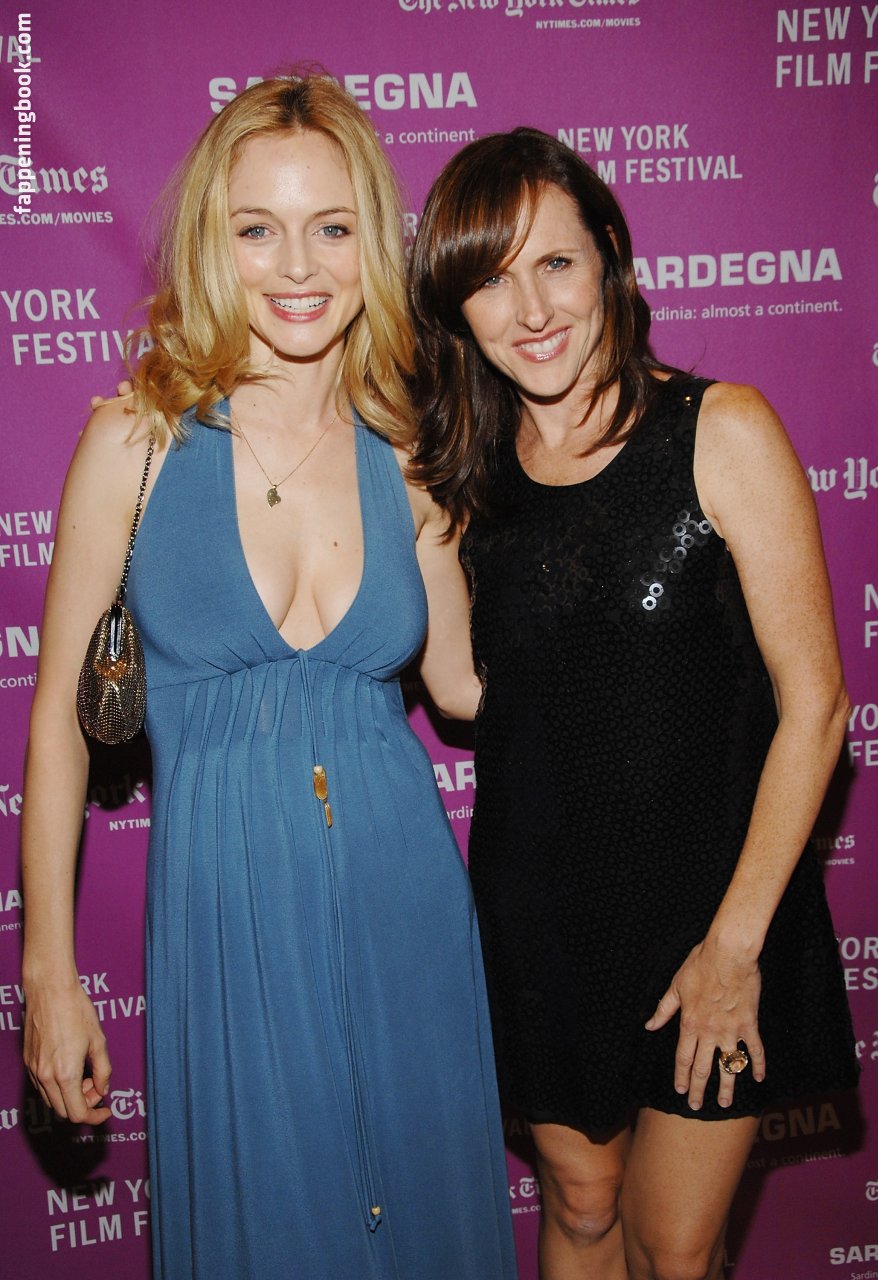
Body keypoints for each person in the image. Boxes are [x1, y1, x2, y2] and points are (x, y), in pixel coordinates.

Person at [21, 75, 518, 1280]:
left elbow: (465, 686)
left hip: (405, 905)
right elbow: (59, 728)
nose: (297, 265)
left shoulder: (408, 449)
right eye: (258, 228)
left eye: (331, 227)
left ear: (370, 244)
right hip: (225, 920)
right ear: (213, 240)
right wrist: (46, 973)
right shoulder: (134, 440)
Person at [408, 127, 859, 1280]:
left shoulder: (720, 429)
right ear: (456, 310)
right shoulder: (469, 474)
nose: (529, 310)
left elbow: (815, 706)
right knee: (580, 1200)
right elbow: (461, 689)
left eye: (554, 263)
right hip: (542, 910)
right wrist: (418, 506)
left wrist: (733, 946)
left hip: (712, 908)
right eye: (488, 281)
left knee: (673, 1245)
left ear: (608, 252)